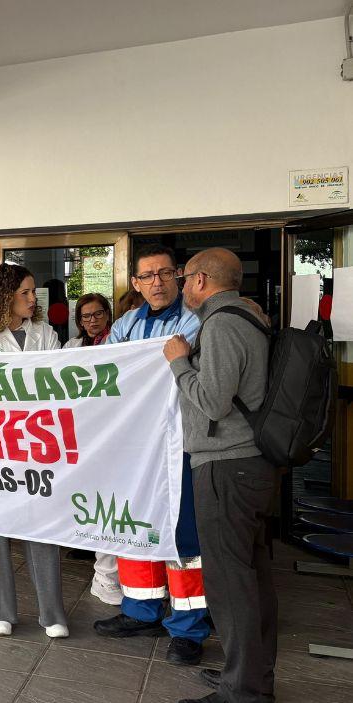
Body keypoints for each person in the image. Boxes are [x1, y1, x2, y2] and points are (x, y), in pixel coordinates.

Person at [163, 248, 272, 703]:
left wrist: (177, 361)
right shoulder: (242, 319)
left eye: (185, 278)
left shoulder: (224, 324)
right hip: (243, 466)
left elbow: (212, 402)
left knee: (231, 585)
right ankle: (244, 675)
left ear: (202, 280)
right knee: (250, 580)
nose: (182, 286)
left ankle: (243, 691)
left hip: (228, 467)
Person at [93, 244, 209, 667]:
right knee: (134, 525)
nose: (156, 282)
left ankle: (189, 627)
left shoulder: (196, 320)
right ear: (136, 283)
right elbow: (106, 369)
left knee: (184, 539)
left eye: (164, 273)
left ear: (179, 275)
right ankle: (141, 610)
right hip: (135, 447)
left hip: (181, 446)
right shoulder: (127, 323)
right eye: (147, 276)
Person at [0, 263, 69, 639]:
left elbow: (55, 380)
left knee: (43, 524)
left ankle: (52, 613)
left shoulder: (45, 332)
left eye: (32, 291)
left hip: (39, 443)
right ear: (3, 296)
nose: (31, 298)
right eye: (24, 292)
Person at [60, 292, 120, 598]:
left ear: (107, 315)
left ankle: (107, 572)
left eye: (97, 314)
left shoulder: (121, 342)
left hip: (113, 434)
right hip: (81, 432)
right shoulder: (72, 346)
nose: (92, 321)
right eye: (86, 316)